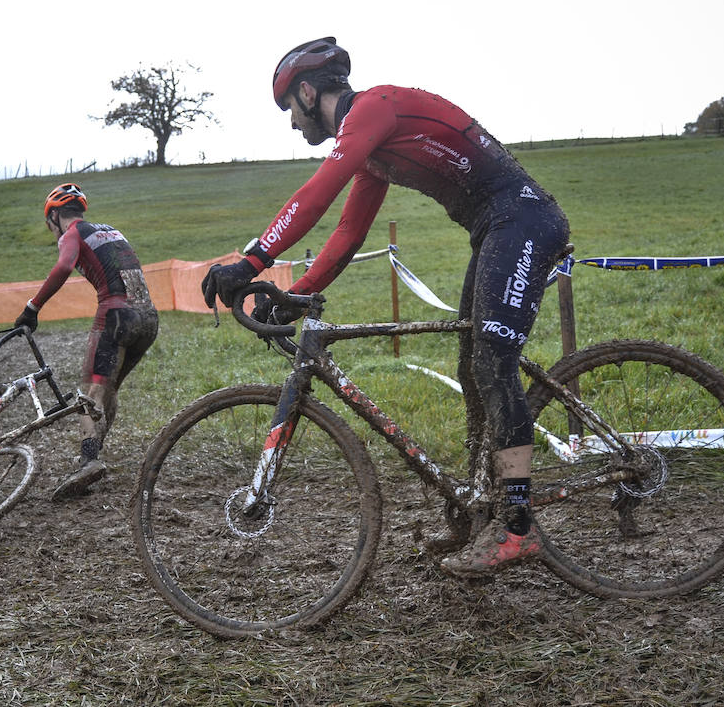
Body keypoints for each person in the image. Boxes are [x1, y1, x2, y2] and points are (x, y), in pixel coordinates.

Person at [201, 37, 571, 577]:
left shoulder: (374, 109)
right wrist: (298, 294)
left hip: (522, 220)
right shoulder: (372, 150)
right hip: (497, 226)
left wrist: (252, 261)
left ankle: (519, 527)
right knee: (473, 371)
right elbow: (349, 232)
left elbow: (319, 191)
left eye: (288, 110)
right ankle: (478, 508)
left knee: (493, 366)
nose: (291, 124)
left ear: (308, 92)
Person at [12, 183, 158, 499]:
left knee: (88, 394)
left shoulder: (72, 234)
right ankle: (92, 454)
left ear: (53, 216)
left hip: (116, 314)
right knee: (108, 389)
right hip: (148, 316)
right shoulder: (111, 231)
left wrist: (32, 308)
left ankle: (89, 461)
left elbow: (63, 266)